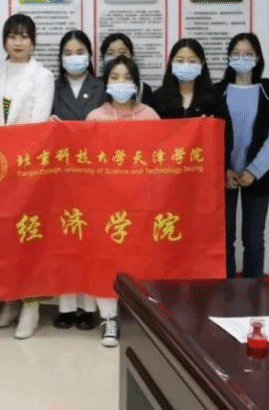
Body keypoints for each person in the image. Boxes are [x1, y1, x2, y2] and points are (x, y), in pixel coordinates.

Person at [0, 13, 54, 339]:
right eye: (12, 36)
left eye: (24, 36)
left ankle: (31, 307)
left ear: (33, 41)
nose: (18, 42)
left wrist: (14, 156)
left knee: (29, 239)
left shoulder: (43, 76)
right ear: (5, 40)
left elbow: (37, 124)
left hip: (27, 168)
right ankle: (9, 301)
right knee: (4, 241)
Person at [86, 55, 159, 347]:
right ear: (105, 83)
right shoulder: (95, 117)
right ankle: (108, 318)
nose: (121, 83)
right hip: (106, 203)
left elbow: (163, 154)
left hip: (140, 203)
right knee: (106, 260)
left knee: (140, 260)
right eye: (114, 77)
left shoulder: (150, 116)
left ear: (136, 83)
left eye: (127, 78)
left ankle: (138, 316)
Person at [215, 33, 269, 280]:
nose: (242, 58)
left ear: (257, 58)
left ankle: (253, 289)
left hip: (258, 175)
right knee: (224, 237)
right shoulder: (217, 92)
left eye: (248, 54)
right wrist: (223, 169)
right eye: (236, 54)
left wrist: (253, 171)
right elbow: (211, 135)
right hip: (223, 176)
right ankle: (226, 288)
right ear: (228, 58)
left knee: (254, 238)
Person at [49, 30, 105, 331]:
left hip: (95, 174)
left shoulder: (102, 86)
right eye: (68, 53)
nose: (74, 58)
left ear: (90, 55)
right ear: (60, 58)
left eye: (80, 52)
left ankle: (88, 307)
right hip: (62, 175)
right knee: (65, 240)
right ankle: (66, 307)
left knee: (91, 242)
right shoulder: (52, 86)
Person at [152, 38, 218, 119]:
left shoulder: (214, 98)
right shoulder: (158, 97)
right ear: (171, 62)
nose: (186, 65)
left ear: (202, 63)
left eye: (192, 61)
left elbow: (224, 125)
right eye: (180, 61)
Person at [99, 32, 156, 106]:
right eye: (110, 53)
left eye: (122, 53)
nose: (117, 57)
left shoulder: (143, 89)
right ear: (103, 58)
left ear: (131, 55)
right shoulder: (96, 86)